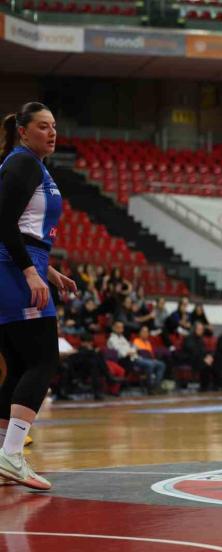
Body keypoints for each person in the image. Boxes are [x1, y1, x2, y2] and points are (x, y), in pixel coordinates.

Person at [0, 101, 77, 490]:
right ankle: (12, 454)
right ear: (23, 131)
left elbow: (24, 228)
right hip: (13, 271)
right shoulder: (23, 163)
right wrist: (31, 271)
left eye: (54, 126)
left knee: (18, 367)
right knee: (44, 360)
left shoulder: (29, 165)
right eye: (43, 126)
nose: (52, 132)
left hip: (17, 267)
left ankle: (2, 454)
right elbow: (3, 222)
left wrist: (48, 270)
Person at [107, 321, 165, 391]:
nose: (120, 329)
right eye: (118, 327)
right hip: (126, 360)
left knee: (161, 365)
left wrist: (133, 351)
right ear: (113, 328)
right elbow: (122, 353)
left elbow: (132, 348)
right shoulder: (112, 339)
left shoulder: (122, 338)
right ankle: (150, 388)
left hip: (135, 358)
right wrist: (132, 351)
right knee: (150, 364)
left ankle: (156, 386)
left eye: (122, 327)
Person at [183, 321, 222, 391]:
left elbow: (203, 350)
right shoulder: (189, 338)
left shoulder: (200, 339)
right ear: (194, 329)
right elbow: (192, 351)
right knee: (206, 363)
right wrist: (205, 358)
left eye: (202, 329)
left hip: (200, 358)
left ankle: (217, 385)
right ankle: (205, 386)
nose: (201, 331)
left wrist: (209, 356)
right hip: (191, 359)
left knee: (217, 359)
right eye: (199, 329)